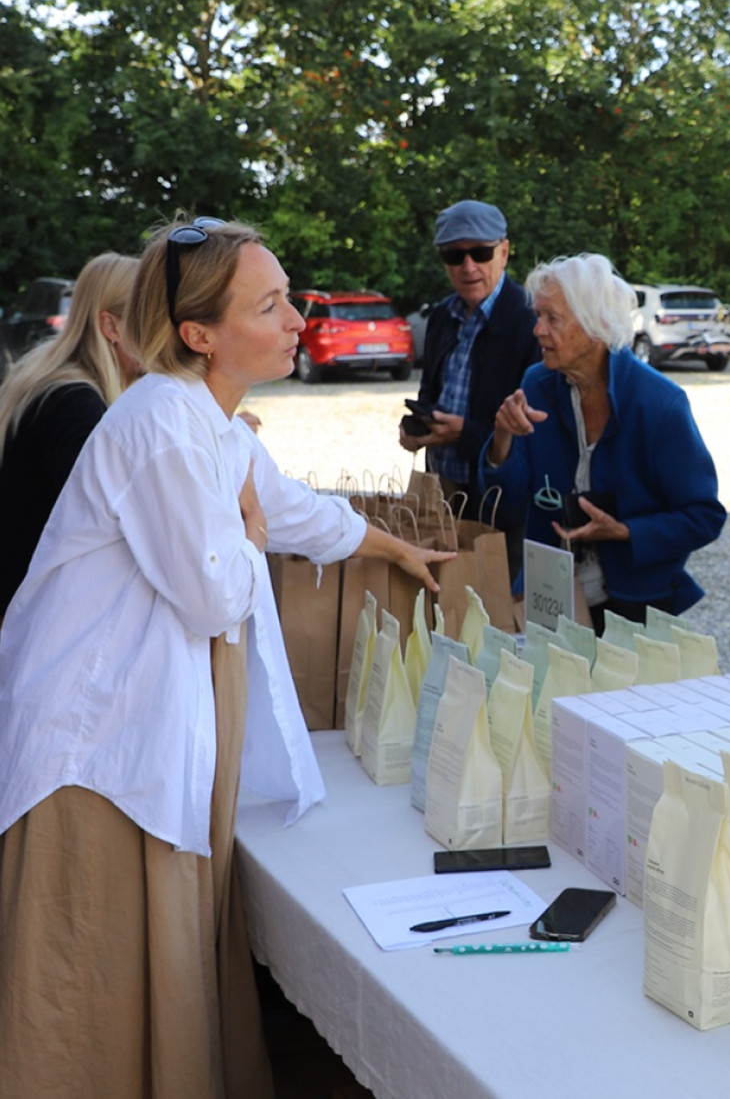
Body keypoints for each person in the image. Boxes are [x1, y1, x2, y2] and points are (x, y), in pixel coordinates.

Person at [0, 217, 449, 1097]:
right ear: (201, 334)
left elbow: (292, 510)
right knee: (85, 984)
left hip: (137, 738)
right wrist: (246, 533)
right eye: (271, 303)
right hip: (93, 754)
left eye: (290, 299)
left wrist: (393, 550)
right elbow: (215, 587)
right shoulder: (163, 420)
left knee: (144, 963)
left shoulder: (216, 426)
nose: (296, 319)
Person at [480, 253, 724, 630]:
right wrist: (502, 438)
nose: (537, 330)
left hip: (636, 606)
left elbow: (704, 518)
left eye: (552, 318)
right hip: (549, 595)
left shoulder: (658, 404)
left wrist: (626, 531)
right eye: (538, 315)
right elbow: (505, 503)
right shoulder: (536, 385)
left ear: (595, 325)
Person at [402, 199, 541, 575]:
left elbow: (533, 429)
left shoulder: (531, 321)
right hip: (442, 489)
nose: (468, 266)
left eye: (480, 253)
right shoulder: (442, 317)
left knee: (496, 608)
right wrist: (416, 427)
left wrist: (464, 433)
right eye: (454, 255)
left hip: (500, 496)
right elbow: (430, 392)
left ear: (505, 252)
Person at [0, 251, 141, 617]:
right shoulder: (74, 402)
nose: (165, 334)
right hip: (25, 619)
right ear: (111, 327)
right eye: (152, 319)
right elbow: (117, 519)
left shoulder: (50, 377)